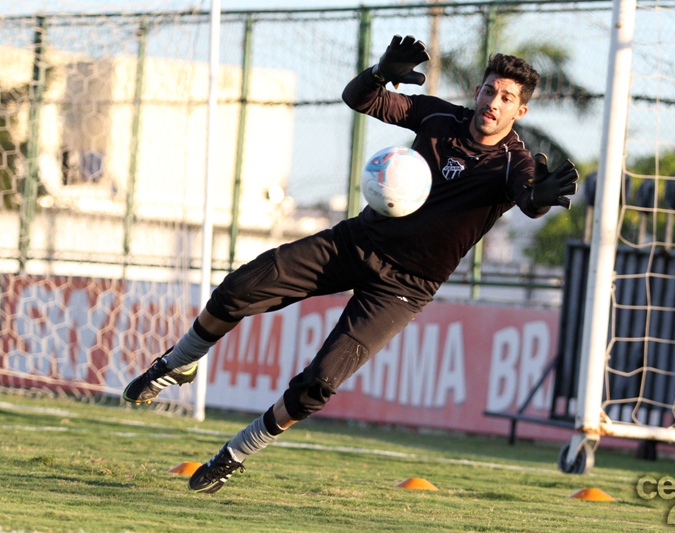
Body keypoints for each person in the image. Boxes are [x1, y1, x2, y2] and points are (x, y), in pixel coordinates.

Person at [123, 35, 578, 494]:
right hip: (357, 242)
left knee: (318, 384)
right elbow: (360, 99)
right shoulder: (441, 117)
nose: (492, 103)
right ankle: (178, 364)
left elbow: (528, 198)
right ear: (477, 91)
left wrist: (538, 197)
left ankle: (235, 453)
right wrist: (378, 73)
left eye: (505, 98)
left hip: (404, 288)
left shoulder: (512, 163)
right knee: (238, 288)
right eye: (488, 90)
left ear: (520, 111)